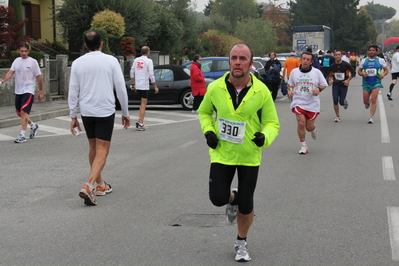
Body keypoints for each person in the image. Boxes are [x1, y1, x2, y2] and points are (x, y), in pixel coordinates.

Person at [198, 43, 280, 262]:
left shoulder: (261, 90)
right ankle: (231, 199)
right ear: (229, 61)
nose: (237, 62)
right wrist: (208, 131)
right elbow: (204, 112)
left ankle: (241, 242)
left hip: (248, 155)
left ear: (250, 63)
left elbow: (272, 123)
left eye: (243, 58)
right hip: (222, 153)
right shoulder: (215, 87)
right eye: (234, 57)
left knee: (247, 202)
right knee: (217, 198)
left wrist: (265, 138)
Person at [68, 30, 131, 206]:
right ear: (101, 43)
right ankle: (88, 186)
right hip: (104, 110)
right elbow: (120, 88)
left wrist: (73, 115)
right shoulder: (111, 61)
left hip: (87, 110)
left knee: (93, 147)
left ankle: (100, 184)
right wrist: (125, 112)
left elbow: (73, 90)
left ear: (85, 45)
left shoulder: (77, 63)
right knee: (102, 149)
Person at [0, 42, 43, 143]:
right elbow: (10, 72)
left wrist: (40, 91)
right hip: (18, 90)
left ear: (28, 51)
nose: (24, 53)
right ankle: (33, 125)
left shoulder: (33, 62)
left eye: (25, 51)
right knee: (19, 112)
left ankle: (22, 135)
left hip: (29, 89)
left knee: (24, 111)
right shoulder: (16, 61)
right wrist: (3, 80)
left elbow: (39, 77)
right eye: (22, 51)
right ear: (18, 51)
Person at [288, 51, 328, 154]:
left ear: (311, 62)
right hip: (298, 101)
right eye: (303, 59)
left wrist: (318, 89)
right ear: (300, 60)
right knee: (301, 123)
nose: (305, 61)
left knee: (309, 127)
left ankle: (313, 129)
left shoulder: (317, 72)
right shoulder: (294, 72)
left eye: (308, 60)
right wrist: (291, 91)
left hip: (312, 103)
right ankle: (303, 146)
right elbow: (290, 84)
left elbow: (324, 84)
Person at [357, 44, 389, 124]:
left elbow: (386, 70)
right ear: (368, 52)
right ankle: (367, 103)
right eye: (370, 50)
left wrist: (383, 75)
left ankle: (371, 117)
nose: (371, 52)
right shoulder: (364, 60)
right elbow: (359, 71)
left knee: (374, 99)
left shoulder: (380, 60)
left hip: (376, 83)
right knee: (365, 101)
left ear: (376, 52)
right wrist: (362, 74)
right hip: (366, 83)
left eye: (373, 50)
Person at [130, 46, 159, 131]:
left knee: (141, 103)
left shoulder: (136, 60)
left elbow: (132, 72)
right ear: (148, 52)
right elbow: (151, 74)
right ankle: (141, 123)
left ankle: (140, 119)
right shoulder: (149, 61)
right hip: (144, 85)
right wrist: (155, 86)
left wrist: (133, 83)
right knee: (143, 104)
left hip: (137, 84)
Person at [327, 50, 355, 122]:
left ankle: (344, 102)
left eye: (339, 55)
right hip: (336, 85)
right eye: (336, 55)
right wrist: (330, 80)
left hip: (343, 84)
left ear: (341, 56)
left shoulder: (346, 65)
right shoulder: (332, 66)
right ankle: (337, 116)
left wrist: (347, 80)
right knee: (335, 100)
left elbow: (353, 73)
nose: (337, 56)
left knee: (341, 102)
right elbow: (329, 75)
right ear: (334, 56)